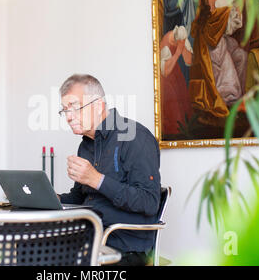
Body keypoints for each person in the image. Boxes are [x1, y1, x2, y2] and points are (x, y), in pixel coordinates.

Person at [57, 74, 161, 266]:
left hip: (124, 245)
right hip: (90, 237)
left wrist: (97, 179)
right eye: (65, 110)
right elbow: (81, 198)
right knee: (29, 246)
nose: (69, 117)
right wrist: (52, 198)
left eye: (75, 107)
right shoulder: (86, 146)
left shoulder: (135, 137)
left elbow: (150, 202)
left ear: (98, 106)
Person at [189, 0, 247, 125]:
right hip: (210, 51)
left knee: (241, 55)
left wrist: (239, 6)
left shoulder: (221, 12)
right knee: (226, 63)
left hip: (219, 45)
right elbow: (208, 37)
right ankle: (230, 100)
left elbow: (231, 27)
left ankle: (236, 99)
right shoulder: (207, 15)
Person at [160, 25, 193, 136]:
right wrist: (178, 53)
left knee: (183, 98)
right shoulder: (166, 44)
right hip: (166, 80)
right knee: (173, 107)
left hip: (175, 74)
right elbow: (165, 72)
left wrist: (183, 48)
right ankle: (176, 133)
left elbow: (188, 61)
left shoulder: (180, 35)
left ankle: (186, 129)